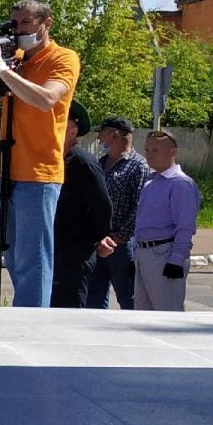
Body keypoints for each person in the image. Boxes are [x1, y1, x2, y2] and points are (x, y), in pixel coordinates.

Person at [0, 0, 80, 308]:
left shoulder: (63, 58)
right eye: (15, 23)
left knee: (34, 258)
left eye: (26, 23)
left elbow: (47, 99)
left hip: (39, 172)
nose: (18, 30)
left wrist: (3, 71)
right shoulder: (15, 60)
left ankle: (32, 323)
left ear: (47, 23)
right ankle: (24, 314)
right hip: (8, 170)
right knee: (14, 256)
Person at [131, 129, 200, 312]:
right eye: (147, 150)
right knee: (143, 315)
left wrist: (176, 259)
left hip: (164, 253)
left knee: (167, 313)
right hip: (143, 253)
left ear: (172, 151)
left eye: (156, 150)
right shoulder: (151, 182)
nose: (150, 155)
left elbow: (185, 226)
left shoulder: (180, 184)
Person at [51, 102, 111, 310]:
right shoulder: (55, 160)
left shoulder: (82, 162)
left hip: (76, 250)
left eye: (59, 121)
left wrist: (97, 238)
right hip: (57, 247)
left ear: (73, 130)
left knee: (70, 306)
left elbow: (102, 205)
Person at [87, 115, 147, 310]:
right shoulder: (100, 163)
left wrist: (120, 236)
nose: (99, 139)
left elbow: (140, 206)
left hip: (122, 244)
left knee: (128, 296)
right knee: (93, 296)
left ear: (115, 135)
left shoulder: (138, 166)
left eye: (102, 134)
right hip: (98, 241)